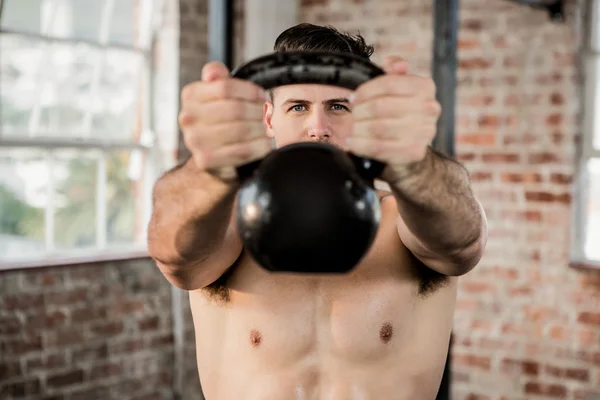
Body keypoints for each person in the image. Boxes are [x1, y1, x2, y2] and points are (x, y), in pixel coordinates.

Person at [148, 23, 487, 400]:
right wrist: (210, 169)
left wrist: (412, 161)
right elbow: (174, 254)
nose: (318, 128)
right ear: (268, 118)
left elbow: (463, 242)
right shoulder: (226, 220)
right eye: (298, 107)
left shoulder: (411, 220)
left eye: (338, 107)